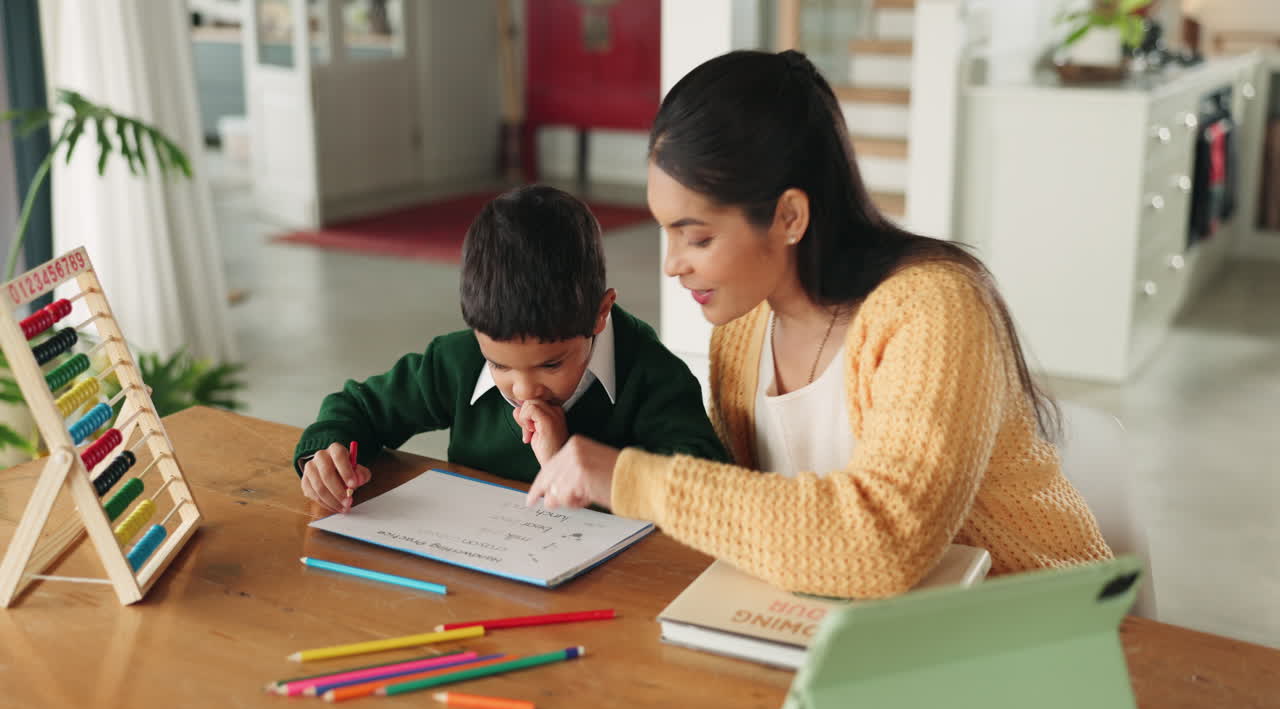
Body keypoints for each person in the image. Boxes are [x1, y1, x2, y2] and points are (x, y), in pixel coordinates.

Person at [526, 50, 1112, 598]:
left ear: (789, 216)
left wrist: (626, 477)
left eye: (697, 237)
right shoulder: (742, 330)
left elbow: (886, 541)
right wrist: (572, 455)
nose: (673, 264)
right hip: (872, 625)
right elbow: (748, 515)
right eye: (667, 232)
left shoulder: (935, 310)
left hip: (1039, 620)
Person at [295, 184, 727, 514]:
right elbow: (359, 407)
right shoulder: (457, 361)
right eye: (498, 365)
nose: (523, 390)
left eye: (551, 364)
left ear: (600, 314)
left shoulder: (653, 377)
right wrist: (328, 456)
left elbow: (705, 490)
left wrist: (567, 462)